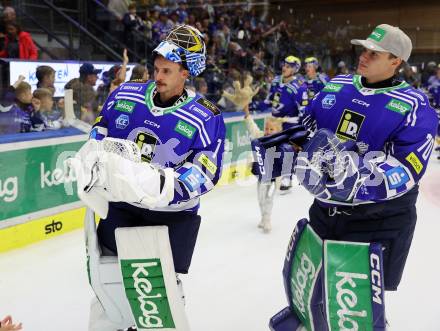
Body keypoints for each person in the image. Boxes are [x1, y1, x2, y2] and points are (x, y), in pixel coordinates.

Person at [270, 24, 438, 330]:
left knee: (355, 310)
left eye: (375, 53)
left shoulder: (414, 105)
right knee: (311, 291)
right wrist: (283, 145)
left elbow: (409, 168)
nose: (365, 56)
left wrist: (358, 178)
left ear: (395, 62)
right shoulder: (337, 85)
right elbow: (305, 129)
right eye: (364, 49)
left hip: (376, 221)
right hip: (324, 213)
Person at [71, 24, 225, 330]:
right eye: (156, 69)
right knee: (110, 292)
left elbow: (206, 172)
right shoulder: (126, 94)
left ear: (186, 73)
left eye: (167, 71)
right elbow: (99, 134)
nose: (158, 77)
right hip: (122, 209)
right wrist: (90, 162)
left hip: (170, 218)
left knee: (158, 297)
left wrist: (165, 185)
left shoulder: (207, 115)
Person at [263, 55, 308, 193]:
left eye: (288, 66)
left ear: (295, 69)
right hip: (275, 121)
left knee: (287, 150)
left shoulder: (300, 86)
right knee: (270, 148)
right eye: (284, 65)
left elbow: (304, 109)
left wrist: (301, 125)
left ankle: (286, 178)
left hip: (290, 123)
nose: (284, 68)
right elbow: (269, 99)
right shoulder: (276, 80)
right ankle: (272, 173)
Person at [243, 104, 282, 233]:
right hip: (261, 176)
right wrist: (247, 114)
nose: (268, 131)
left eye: (271, 129)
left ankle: (267, 219)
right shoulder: (261, 136)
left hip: (273, 178)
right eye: (267, 128)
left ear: (278, 131)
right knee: (261, 198)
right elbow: (252, 128)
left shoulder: (281, 142)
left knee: (269, 199)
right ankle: (263, 217)